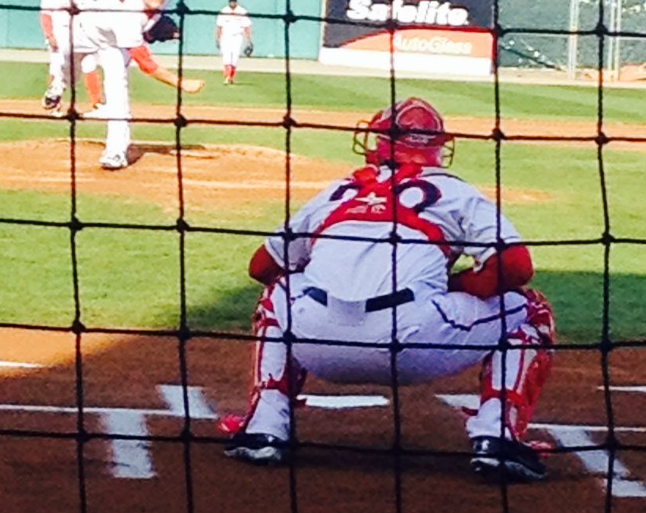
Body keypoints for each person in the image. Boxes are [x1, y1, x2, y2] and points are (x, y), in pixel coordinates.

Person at [220, 96, 556, 483]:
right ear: (437, 148)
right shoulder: (453, 191)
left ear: (377, 143)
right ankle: (498, 438)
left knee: (280, 292)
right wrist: (458, 284)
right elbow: (516, 267)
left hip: (318, 345)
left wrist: (331, 268)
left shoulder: (339, 192)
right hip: (414, 343)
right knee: (531, 310)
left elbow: (261, 267)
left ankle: (264, 428)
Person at [74, 0, 205, 170]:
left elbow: (150, 23)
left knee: (118, 89)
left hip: (112, 44)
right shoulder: (129, 16)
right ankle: (55, 91)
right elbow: (146, 64)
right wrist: (181, 83)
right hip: (83, 30)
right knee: (63, 66)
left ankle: (115, 152)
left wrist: (153, 29)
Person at [39, 0, 102, 116]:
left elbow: (90, 14)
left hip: (81, 35)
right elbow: (46, 15)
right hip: (60, 35)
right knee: (57, 68)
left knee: (89, 66)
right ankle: (55, 106)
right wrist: (49, 35)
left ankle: (97, 104)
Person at [215, 0, 253, 85]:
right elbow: (219, 26)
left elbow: (247, 27)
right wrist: (218, 38)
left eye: (234, 1)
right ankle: (228, 76)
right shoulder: (224, 11)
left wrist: (249, 40)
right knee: (226, 56)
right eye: (231, 1)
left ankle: (230, 76)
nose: (233, 3)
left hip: (237, 36)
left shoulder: (242, 11)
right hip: (226, 36)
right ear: (229, 2)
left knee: (235, 56)